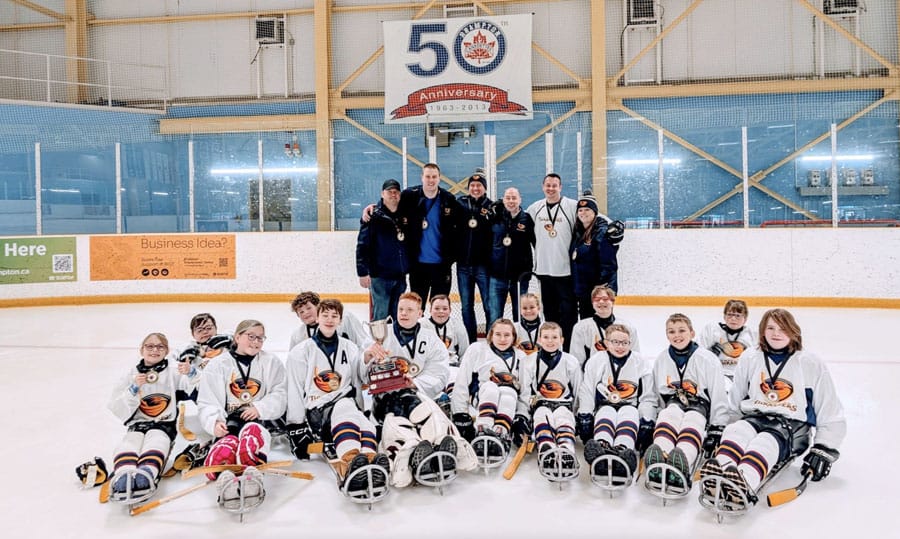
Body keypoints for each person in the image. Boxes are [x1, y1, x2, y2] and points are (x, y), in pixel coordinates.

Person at [698, 308, 846, 506]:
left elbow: (829, 408)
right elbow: (735, 399)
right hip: (755, 417)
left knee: (764, 442)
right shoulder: (750, 357)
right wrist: (722, 427)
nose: (776, 333)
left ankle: (743, 482)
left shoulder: (809, 363)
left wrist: (824, 447)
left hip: (791, 426)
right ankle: (717, 478)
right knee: (736, 431)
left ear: (793, 331)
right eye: (771, 328)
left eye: (782, 328)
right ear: (762, 331)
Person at [362, 292, 475, 487]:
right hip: (386, 397)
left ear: (420, 313)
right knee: (392, 420)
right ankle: (406, 452)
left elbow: (440, 372)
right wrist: (367, 356)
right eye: (400, 309)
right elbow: (361, 370)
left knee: (429, 409)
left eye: (409, 310)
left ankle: (444, 443)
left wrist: (415, 383)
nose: (404, 314)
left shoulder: (430, 338)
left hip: (413, 393)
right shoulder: (381, 334)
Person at [284, 299, 389, 495]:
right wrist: (296, 427)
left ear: (341, 320)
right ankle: (351, 461)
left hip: (345, 407)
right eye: (325, 315)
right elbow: (294, 389)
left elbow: (361, 376)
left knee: (363, 422)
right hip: (319, 412)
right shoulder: (301, 351)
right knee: (346, 408)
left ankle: (368, 460)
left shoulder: (349, 347)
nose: (330, 320)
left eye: (335, 316)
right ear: (318, 317)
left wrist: (367, 359)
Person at [197, 320, 286, 507]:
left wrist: (259, 408)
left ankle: (251, 476)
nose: (255, 342)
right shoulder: (218, 365)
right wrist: (214, 422)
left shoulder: (271, 362)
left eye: (260, 338)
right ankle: (225, 479)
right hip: (229, 423)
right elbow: (207, 400)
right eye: (251, 336)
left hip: (258, 421)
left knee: (252, 437)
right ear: (237, 337)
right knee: (225, 447)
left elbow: (280, 393)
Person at [107, 333, 196, 501]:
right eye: (150, 346)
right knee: (129, 443)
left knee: (157, 442)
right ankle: (123, 473)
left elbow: (194, 387)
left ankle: (147, 472)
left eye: (160, 347)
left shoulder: (174, 370)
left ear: (167, 350)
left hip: (163, 425)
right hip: (137, 425)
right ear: (142, 350)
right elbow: (116, 404)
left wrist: (191, 373)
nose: (155, 350)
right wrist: (133, 390)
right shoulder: (130, 374)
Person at [644, 313, 729, 490]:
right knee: (669, 415)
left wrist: (717, 427)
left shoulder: (707, 359)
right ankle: (660, 457)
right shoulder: (661, 359)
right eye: (672, 331)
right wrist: (650, 419)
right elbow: (657, 394)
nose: (677, 335)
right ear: (667, 335)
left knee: (692, 420)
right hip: (674, 402)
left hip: (699, 406)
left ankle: (681, 462)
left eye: (682, 330)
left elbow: (718, 394)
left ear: (692, 332)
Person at [364, 163, 462, 305]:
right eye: (427, 176)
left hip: (441, 267)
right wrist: (374, 207)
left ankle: (438, 328)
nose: (431, 180)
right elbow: (390, 203)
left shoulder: (448, 199)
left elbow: (460, 228)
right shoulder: (410, 196)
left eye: (434, 176)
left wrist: (452, 258)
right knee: (416, 307)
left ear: (439, 178)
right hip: (418, 266)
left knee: (440, 306)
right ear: (422, 177)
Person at [576, 324, 655, 480]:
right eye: (615, 342)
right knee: (606, 415)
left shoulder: (640, 362)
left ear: (630, 343)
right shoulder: (597, 360)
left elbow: (648, 395)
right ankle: (601, 448)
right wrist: (585, 413)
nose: (620, 346)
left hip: (629, 405)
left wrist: (648, 418)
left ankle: (623, 451)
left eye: (624, 343)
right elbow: (587, 390)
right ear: (606, 343)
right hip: (605, 405)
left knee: (629, 416)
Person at [514, 322, 582, 477]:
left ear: (562, 340)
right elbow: (525, 392)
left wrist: (578, 414)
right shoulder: (529, 361)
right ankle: (546, 448)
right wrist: (522, 416)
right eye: (546, 337)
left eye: (554, 337)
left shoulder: (571, 361)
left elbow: (578, 389)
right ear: (539, 339)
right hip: (541, 404)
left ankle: (567, 449)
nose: (550, 341)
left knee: (563, 419)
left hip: (563, 404)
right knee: (541, 418)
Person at [450, 318, 525, 456]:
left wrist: (522, 416)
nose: (502, 339)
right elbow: (462, 380)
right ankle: (483, 429)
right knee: (491, 386)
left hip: (508, 401)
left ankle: (501, 433)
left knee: (509, 392)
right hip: (483, 396)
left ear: (514, 337)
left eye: (507, 335)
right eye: (498, 334)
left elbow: (525, 390)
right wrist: (459, 412)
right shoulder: (477, 349)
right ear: (490, 335)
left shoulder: (521, 356)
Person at [526, 173, 578, 350]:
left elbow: (593, 218)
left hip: (565, 271)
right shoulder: (535, 208)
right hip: (544, 270)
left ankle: (569, 348)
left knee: (569, 314)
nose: (551, 188)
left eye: (554, 185)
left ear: (560, 187)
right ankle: (551, 347)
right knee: (550, 313)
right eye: (548, 185)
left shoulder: (571, 206)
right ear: (543, 187)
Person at [356, 179, 410, 322]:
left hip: (399, 276)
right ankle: (378, 343)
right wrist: (362, 272)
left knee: (397, 315)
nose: (393, 194)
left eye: (396, 192)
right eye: (389, 192)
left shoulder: (406, 215)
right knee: (380, 316)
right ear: (382, 194)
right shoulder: (373, 216)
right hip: (379, 276)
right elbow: (362, 245)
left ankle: (394, 344)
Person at [569, 191, 623, 318]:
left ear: (595, 212)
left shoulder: (602, 233)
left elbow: (609, 264)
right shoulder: (578, 232)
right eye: (580, 210)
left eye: (587, 209)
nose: (583, 213)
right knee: (587, 325)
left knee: (599, 326)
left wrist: (602, 288)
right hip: (583, 290)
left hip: (597, 292)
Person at [487, 187, 535, 328]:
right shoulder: (496, 218)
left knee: (520, 316)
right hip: (497, 276)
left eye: (514, 198)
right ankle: (493, 347)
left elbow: (537, 244)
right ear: (503, 199)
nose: (511, 201)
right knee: (494, 316)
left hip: (519, 278)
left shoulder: (526, 219)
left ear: (520, 200)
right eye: (508, 198)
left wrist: (529, 269)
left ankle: (521, 344)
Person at [455, 171, 494, 342]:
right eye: (472, 185)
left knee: (488, 305)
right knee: (466, 307)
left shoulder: (492, 207)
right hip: (463, 266)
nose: (475, 188)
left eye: (479, 186)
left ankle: (491, 340)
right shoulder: (460, 204)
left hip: (483, 266)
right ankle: (470, 341)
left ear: (484, 188)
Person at [569, 285, 641, 368]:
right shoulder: (581, 328)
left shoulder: (628, 327)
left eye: (605, 299)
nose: (601, 302)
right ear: (592, 303)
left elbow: (635, 358)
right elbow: (576, 361)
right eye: (597, 299)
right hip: (592, 376)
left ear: (613, 302)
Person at [419, 294, 469, 415]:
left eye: (445, 308)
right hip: (430, 367)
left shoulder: (457, 325)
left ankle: (456, 411)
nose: (441, 312)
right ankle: (438, 402)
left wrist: (463, 373)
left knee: (455, 384)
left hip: (452, 365)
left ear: (450, 310)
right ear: (430, 310)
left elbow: (464, 352)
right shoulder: (421, 325)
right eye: (436, 308)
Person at [697, 299, 757, 391]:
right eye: (729, 314)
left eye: (738, 315)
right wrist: (709, 355)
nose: (733, 318)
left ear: (745, 319)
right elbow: (697, 352)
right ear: (724, 316)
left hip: (743, 375)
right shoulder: (711, 330)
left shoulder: (752, 334)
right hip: (718, 374)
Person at [289, 291, 367, 350]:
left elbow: (362, 342)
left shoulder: (344, 318)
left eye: (309, 308)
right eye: (301, 312)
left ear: (318, 306)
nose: (305, 313)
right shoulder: (297, 336)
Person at [513, 292, 543, 356]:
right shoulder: (514, 328)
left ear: (538, 308)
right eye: (524, 308)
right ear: (520, 310)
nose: (528, 311)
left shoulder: (546, 328)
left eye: (532, 307)